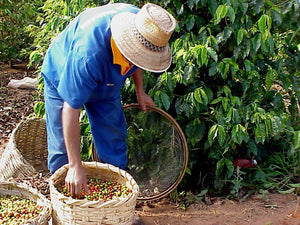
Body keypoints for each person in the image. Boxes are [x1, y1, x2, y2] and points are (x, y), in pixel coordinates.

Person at [41, 2, 176, 197]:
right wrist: (75, 165)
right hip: (61, 73)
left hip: (107, 83)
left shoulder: (147, 26)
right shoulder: (87, 55)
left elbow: (138, 60)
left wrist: (140, 90)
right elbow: (70, 108)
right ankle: (65, 204)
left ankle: (116, 202)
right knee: (62, 150)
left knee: (113, 139)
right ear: (125, 42)